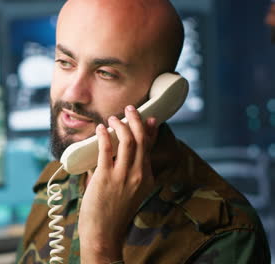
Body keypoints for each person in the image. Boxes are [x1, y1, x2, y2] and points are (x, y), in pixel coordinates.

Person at [16, 0, 271, 263]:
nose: (72, 94)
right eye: (65, 62)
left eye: (105, 73)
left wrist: (100, 245)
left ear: (161, 94)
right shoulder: (56, 183)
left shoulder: (226, 234)